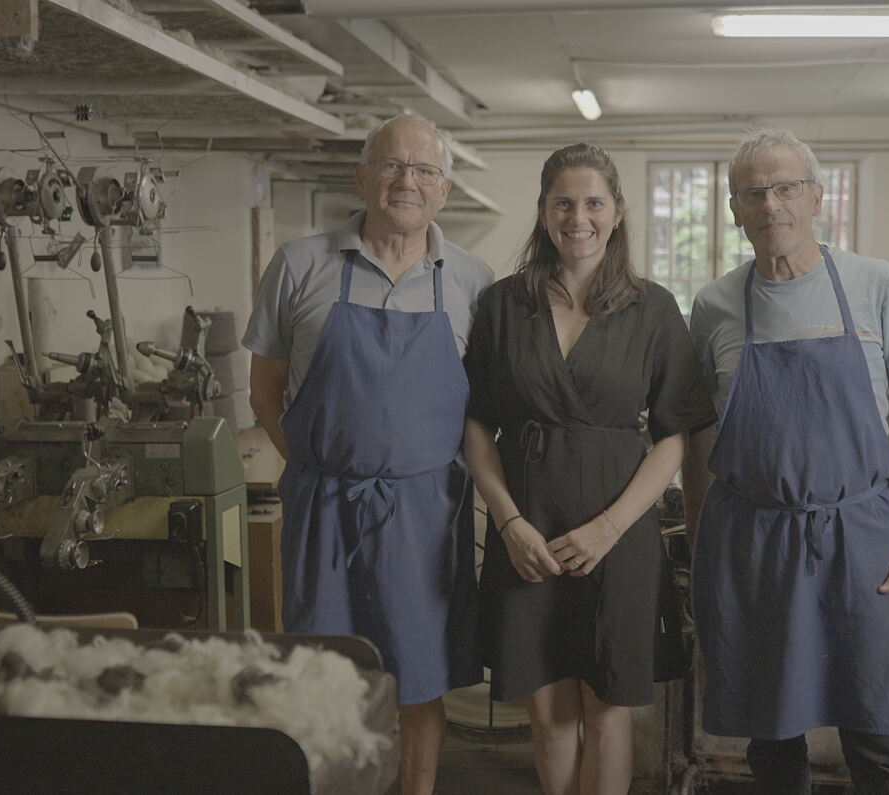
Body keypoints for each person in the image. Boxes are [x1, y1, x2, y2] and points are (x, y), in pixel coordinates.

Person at [683, 127, 889, 794]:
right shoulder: (713, 305)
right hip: (754, 543)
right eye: (753, 192)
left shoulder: (874, 283)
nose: (771, 204)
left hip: (862, 539)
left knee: (879, 735)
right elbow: (700, 439)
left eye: (785, 187)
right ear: (734, 208)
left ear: (817, 197)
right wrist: (699, 546)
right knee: (772, 741)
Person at [242, 113, 493, 795]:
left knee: (417, 676)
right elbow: (265, 393)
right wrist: (325, 465)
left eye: (424, 171)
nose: (406, 181)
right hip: (324, 505)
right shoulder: (300, 264)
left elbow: (483, 408)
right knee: (323, 673)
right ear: (362, 177)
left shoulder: (473, 280)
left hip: (427, 514)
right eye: (391, 165)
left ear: (444, 191)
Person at [462, 143, 716, 795]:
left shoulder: (654, 310)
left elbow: (673, 436)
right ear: (544, 212)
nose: (580, 217)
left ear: (618, 212)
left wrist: (609, 527)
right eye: (564, 203)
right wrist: (508, 520)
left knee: (607, 712)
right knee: (548, 717)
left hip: (619, 533)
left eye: (593, 202)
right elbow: (476, 425)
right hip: (528, 534)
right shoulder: (500, 306)